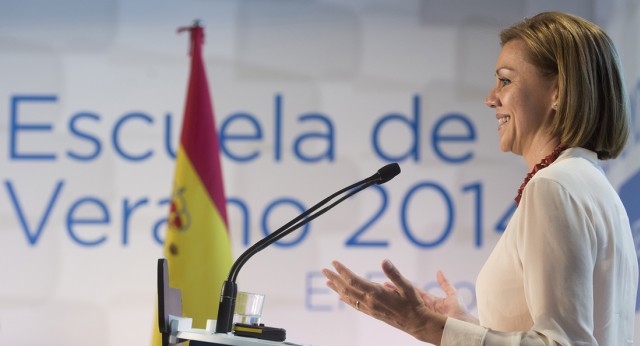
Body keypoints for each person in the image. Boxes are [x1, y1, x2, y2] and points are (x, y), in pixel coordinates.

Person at [322, 11, 638, 345]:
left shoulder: (552, 187)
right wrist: (463, 324)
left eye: (505, 80)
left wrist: (425, 326)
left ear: (557, 92)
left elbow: (562, 343)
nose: (490, 98)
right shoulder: (593, 183)